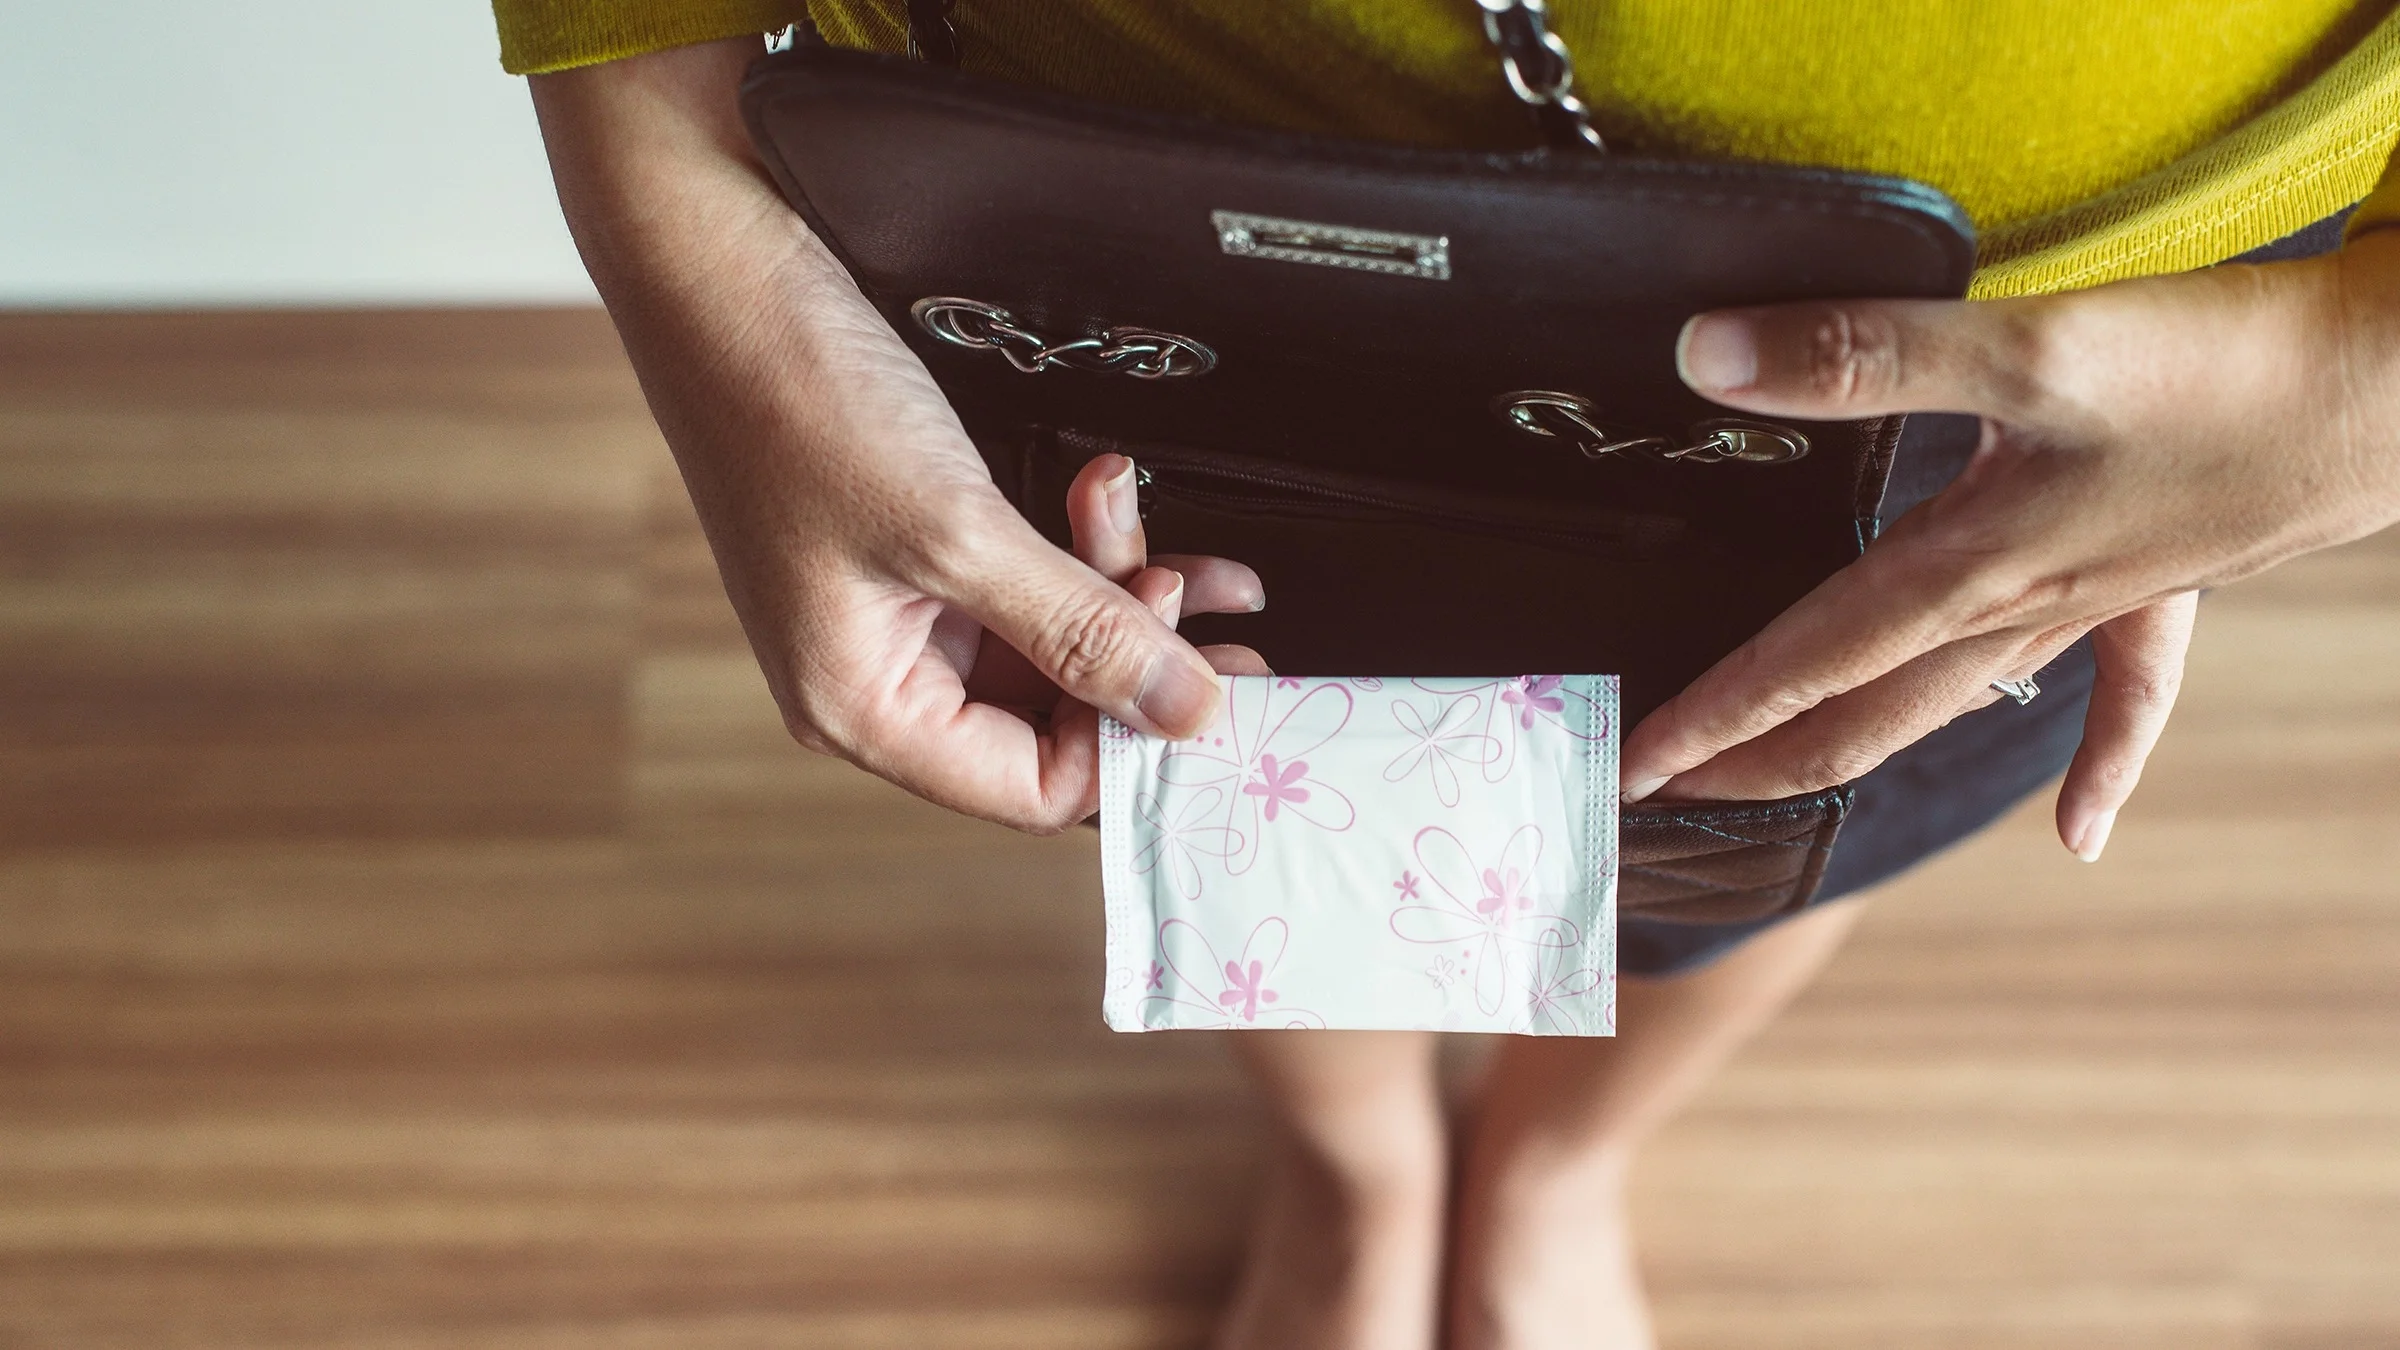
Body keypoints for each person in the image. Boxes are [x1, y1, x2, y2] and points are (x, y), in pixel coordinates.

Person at [501, 4, 2400, 1346]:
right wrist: (644, 142)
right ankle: (1359, 1177)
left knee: (1792, 802)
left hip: (2057, 341)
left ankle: (1561, 1163)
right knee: (1250, 781)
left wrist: (2371, 378)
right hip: (1133, 253)